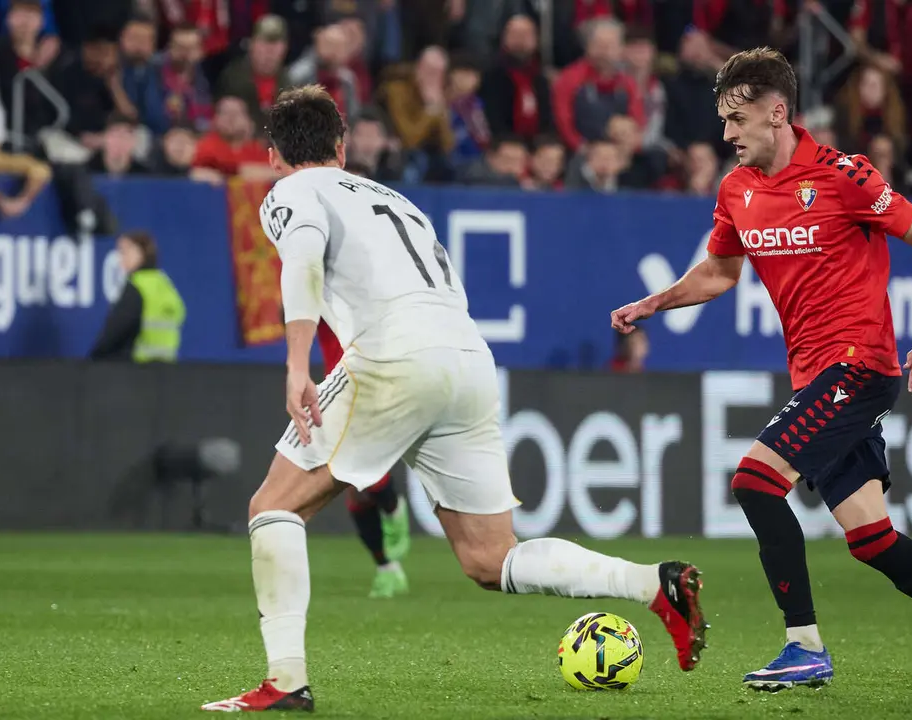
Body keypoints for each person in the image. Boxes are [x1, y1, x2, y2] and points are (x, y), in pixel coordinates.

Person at [201, 85, 707, 713]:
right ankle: (650, 585)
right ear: (341, 145)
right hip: (467, 358)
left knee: (272, 506)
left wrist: (296, 362)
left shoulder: (290, 191)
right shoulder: (398, 200)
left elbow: (300, 259)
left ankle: (285, 681)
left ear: (274, 155)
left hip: (393, 354)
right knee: (491, 558)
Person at [610, 48, 912, 695]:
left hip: (860, 366)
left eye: (737, 119)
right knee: (872, 540)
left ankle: (803, 646)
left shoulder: (843, 175)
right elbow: (721, 270)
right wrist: (654, 302)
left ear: (777, 113)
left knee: (753, 481)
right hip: (815, 378)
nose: (727, 134)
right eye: (723, 121)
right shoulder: (736, 190)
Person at [315, 319, 412, 599]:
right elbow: (290, 312)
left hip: (370, 379)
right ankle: (387, 567)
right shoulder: (312, 282)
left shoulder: (361, 282)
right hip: (336, 384)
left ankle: (392, 507)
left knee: (357, 467)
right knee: (353, 485)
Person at [89, 231, 185, 362]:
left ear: (142, 252)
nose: (121, 258)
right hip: (166, 370)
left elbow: (116, 330)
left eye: (125, 251)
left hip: (136, 370)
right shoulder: (165, 284)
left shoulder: (137, 286)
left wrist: (93, 359)